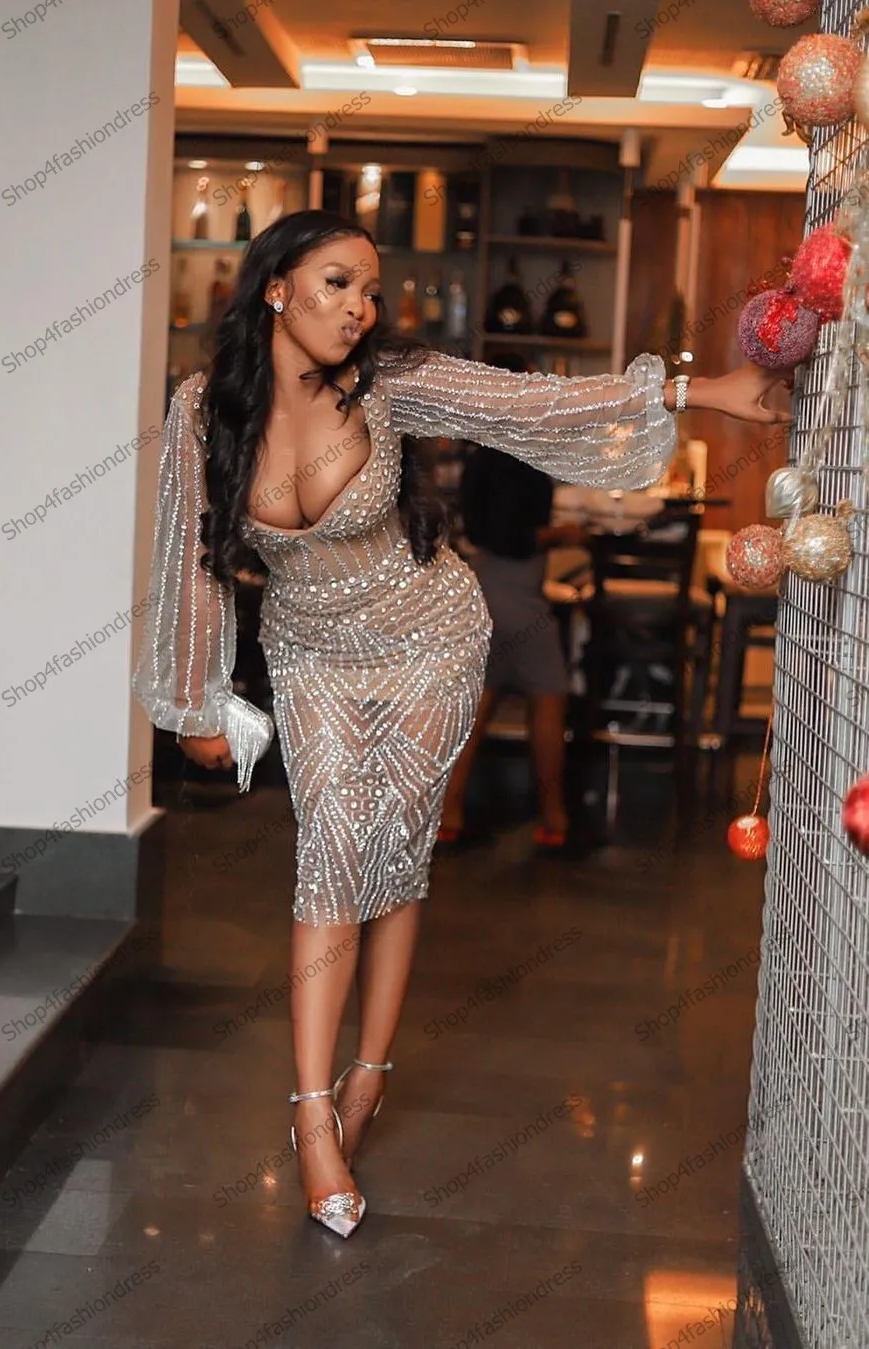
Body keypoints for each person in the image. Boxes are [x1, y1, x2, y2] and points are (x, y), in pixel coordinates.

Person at [133, 209, 789, 1239]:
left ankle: (367, 1075)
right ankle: (312, 1114)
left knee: (394, 856)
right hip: (310, 653)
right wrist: (195, 696)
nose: (361, 308)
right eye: (339, 283)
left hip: (428, 636)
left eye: (371, 289)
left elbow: (530, 401)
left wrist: (702, 390)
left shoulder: (387, 382)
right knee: (331, 853)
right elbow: (191, 551)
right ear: (276, 288)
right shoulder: (200, 406)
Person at [438, 441, 587, 853]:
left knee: (479, 702)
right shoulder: (516, 457)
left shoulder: (480, 456)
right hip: (516, 593)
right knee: (550, 695)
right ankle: (555, 822)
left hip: (485, 582)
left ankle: (447, 816)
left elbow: (486, 529)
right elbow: (511, 536)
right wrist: (561, 535)